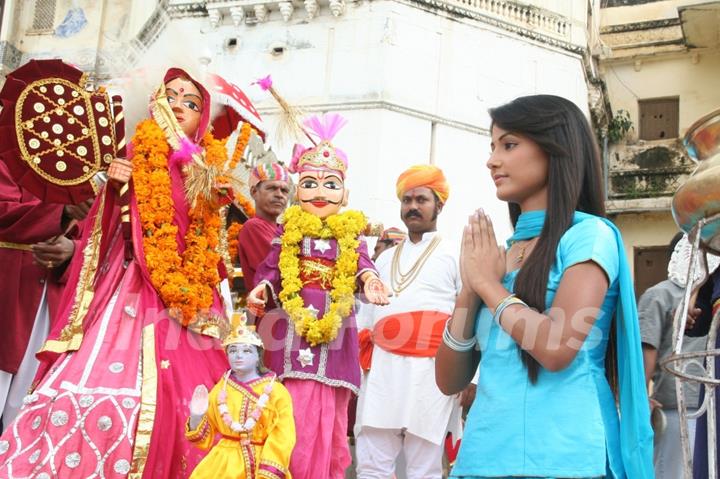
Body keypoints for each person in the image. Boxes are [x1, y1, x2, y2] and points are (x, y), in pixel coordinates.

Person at [0, 68, 232, 477]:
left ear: (204, 117)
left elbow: (210, 250)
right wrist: (111, 187)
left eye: (192, 103)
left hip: (190, 299)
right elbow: (102, 232)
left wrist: (215, 199)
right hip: (130, 288)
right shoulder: (133, 154)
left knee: (197, 400)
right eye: (171, 96)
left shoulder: (207, 171)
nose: (179, 106)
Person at [435, 94, 653, 478]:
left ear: (556, 149)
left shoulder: (589, 237)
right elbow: (449, 380)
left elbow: (556, 349)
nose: (492, 160)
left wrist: (489, 285)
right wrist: (471, 286)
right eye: (492, 146)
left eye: (509, 144)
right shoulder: (497, 257)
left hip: (566, 455)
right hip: (486, 454)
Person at [247, 113, 390, 479]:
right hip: (291, 331)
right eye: (310, 183)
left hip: (335, 330)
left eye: (331, 184)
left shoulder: (350, 234)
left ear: (345, 193)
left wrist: (370, 279)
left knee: (328, 415)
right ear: (298, 191)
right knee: (289, 409)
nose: (321, 192)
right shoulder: (289, 231)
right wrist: (263, 289)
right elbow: (272, 269)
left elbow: (362, 262)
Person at [355, 165, 463, 478]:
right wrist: (361, 364)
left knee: (424, 464)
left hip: (431, 370)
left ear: (439, 205)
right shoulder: (384, 258)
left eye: (421, 199)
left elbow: (469, 314)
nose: (412, 206)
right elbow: (368, 315)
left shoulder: (455, 252)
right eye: (406, 200)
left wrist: (471, 376)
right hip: (383, 368)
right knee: (372, 457)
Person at [0, 160, 91, 429]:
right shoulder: (8, 154)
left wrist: (73, 250)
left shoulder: (89, 168)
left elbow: (103, 237)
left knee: (28, 413)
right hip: (8, 292)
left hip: (55, 299)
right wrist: (61, 213)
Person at [186, 314, 295, 478]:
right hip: (223, 466)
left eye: (246, 350)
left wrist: (268, 472)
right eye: (233, 350)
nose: (238, 356)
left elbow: (283, 435)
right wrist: (196, 416)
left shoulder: (276, 391)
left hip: (262, 461)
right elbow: (204, 439)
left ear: (258, 356)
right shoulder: (220, 389)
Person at [639, 233, 709, 479]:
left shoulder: (707, 296)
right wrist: (641, 400)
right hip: (676, 409)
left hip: (698, 405)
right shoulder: (660, 295)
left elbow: (647, 352)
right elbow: (647, 351)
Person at [237, 162, 291, 293]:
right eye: (272, 188)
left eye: (284, 190)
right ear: (254, 192)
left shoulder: (285, 229)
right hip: (270, 311)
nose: (279, 195)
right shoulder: (253, 227)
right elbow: (281, 270)